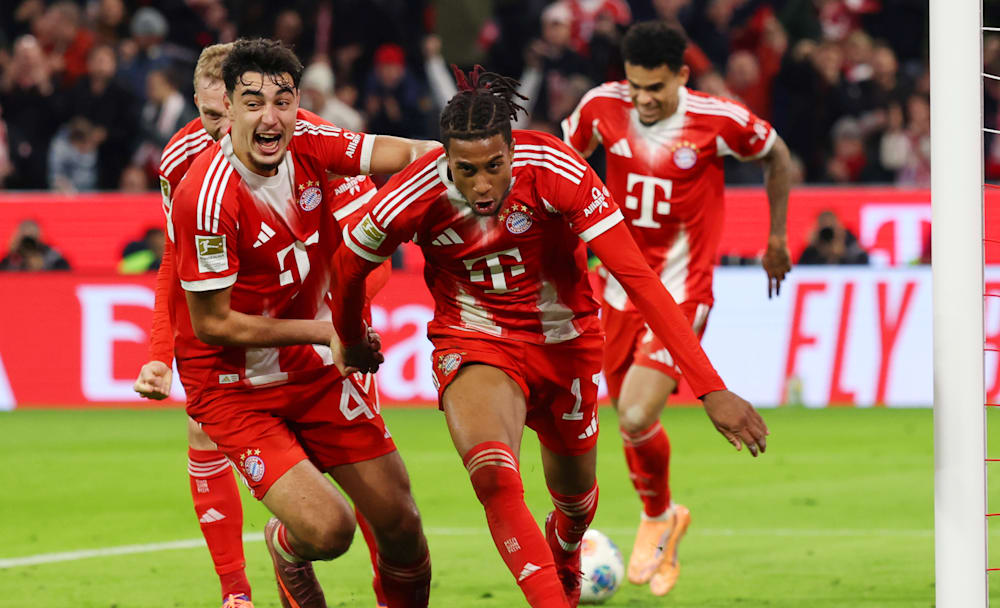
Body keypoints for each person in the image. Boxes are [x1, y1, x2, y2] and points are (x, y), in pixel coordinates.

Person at [331, 66, 768, 608]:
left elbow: (639, 281)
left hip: (567, 345)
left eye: (495, 165)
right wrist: (350, 335)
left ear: (514, 150)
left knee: (577, 503)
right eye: (466, 170)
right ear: (445, 160)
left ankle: (566, 552)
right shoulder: (412, 193)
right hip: (476, 341)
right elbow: (348, 264)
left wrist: (710, 387)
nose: (483, 183)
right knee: (494, 478)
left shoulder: (558, 169)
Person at [161, 38, 437, 608]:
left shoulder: (311, 137)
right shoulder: (205, 194)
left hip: (311, 371)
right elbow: (212, 324)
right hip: (233, 388)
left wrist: (461, 156)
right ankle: (282, 551)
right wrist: (329, 332)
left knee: (401, 524)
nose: (271, 117)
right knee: (331, 531)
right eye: (253, 102)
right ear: (228, 111)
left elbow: (407, 153)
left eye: (283, 101)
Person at [560, 20, 792, 596]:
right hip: (613, 288)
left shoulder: (718, 120)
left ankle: (658, 518)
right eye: (635, 86)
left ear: (683, 75)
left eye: (656, 88)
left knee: (636, 414)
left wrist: (778, 238)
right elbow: (564, 167)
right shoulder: (599, 107)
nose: (642, 99)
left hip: (681, 289)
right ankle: (665, 516)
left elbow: (777, 154)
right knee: (628, 423)